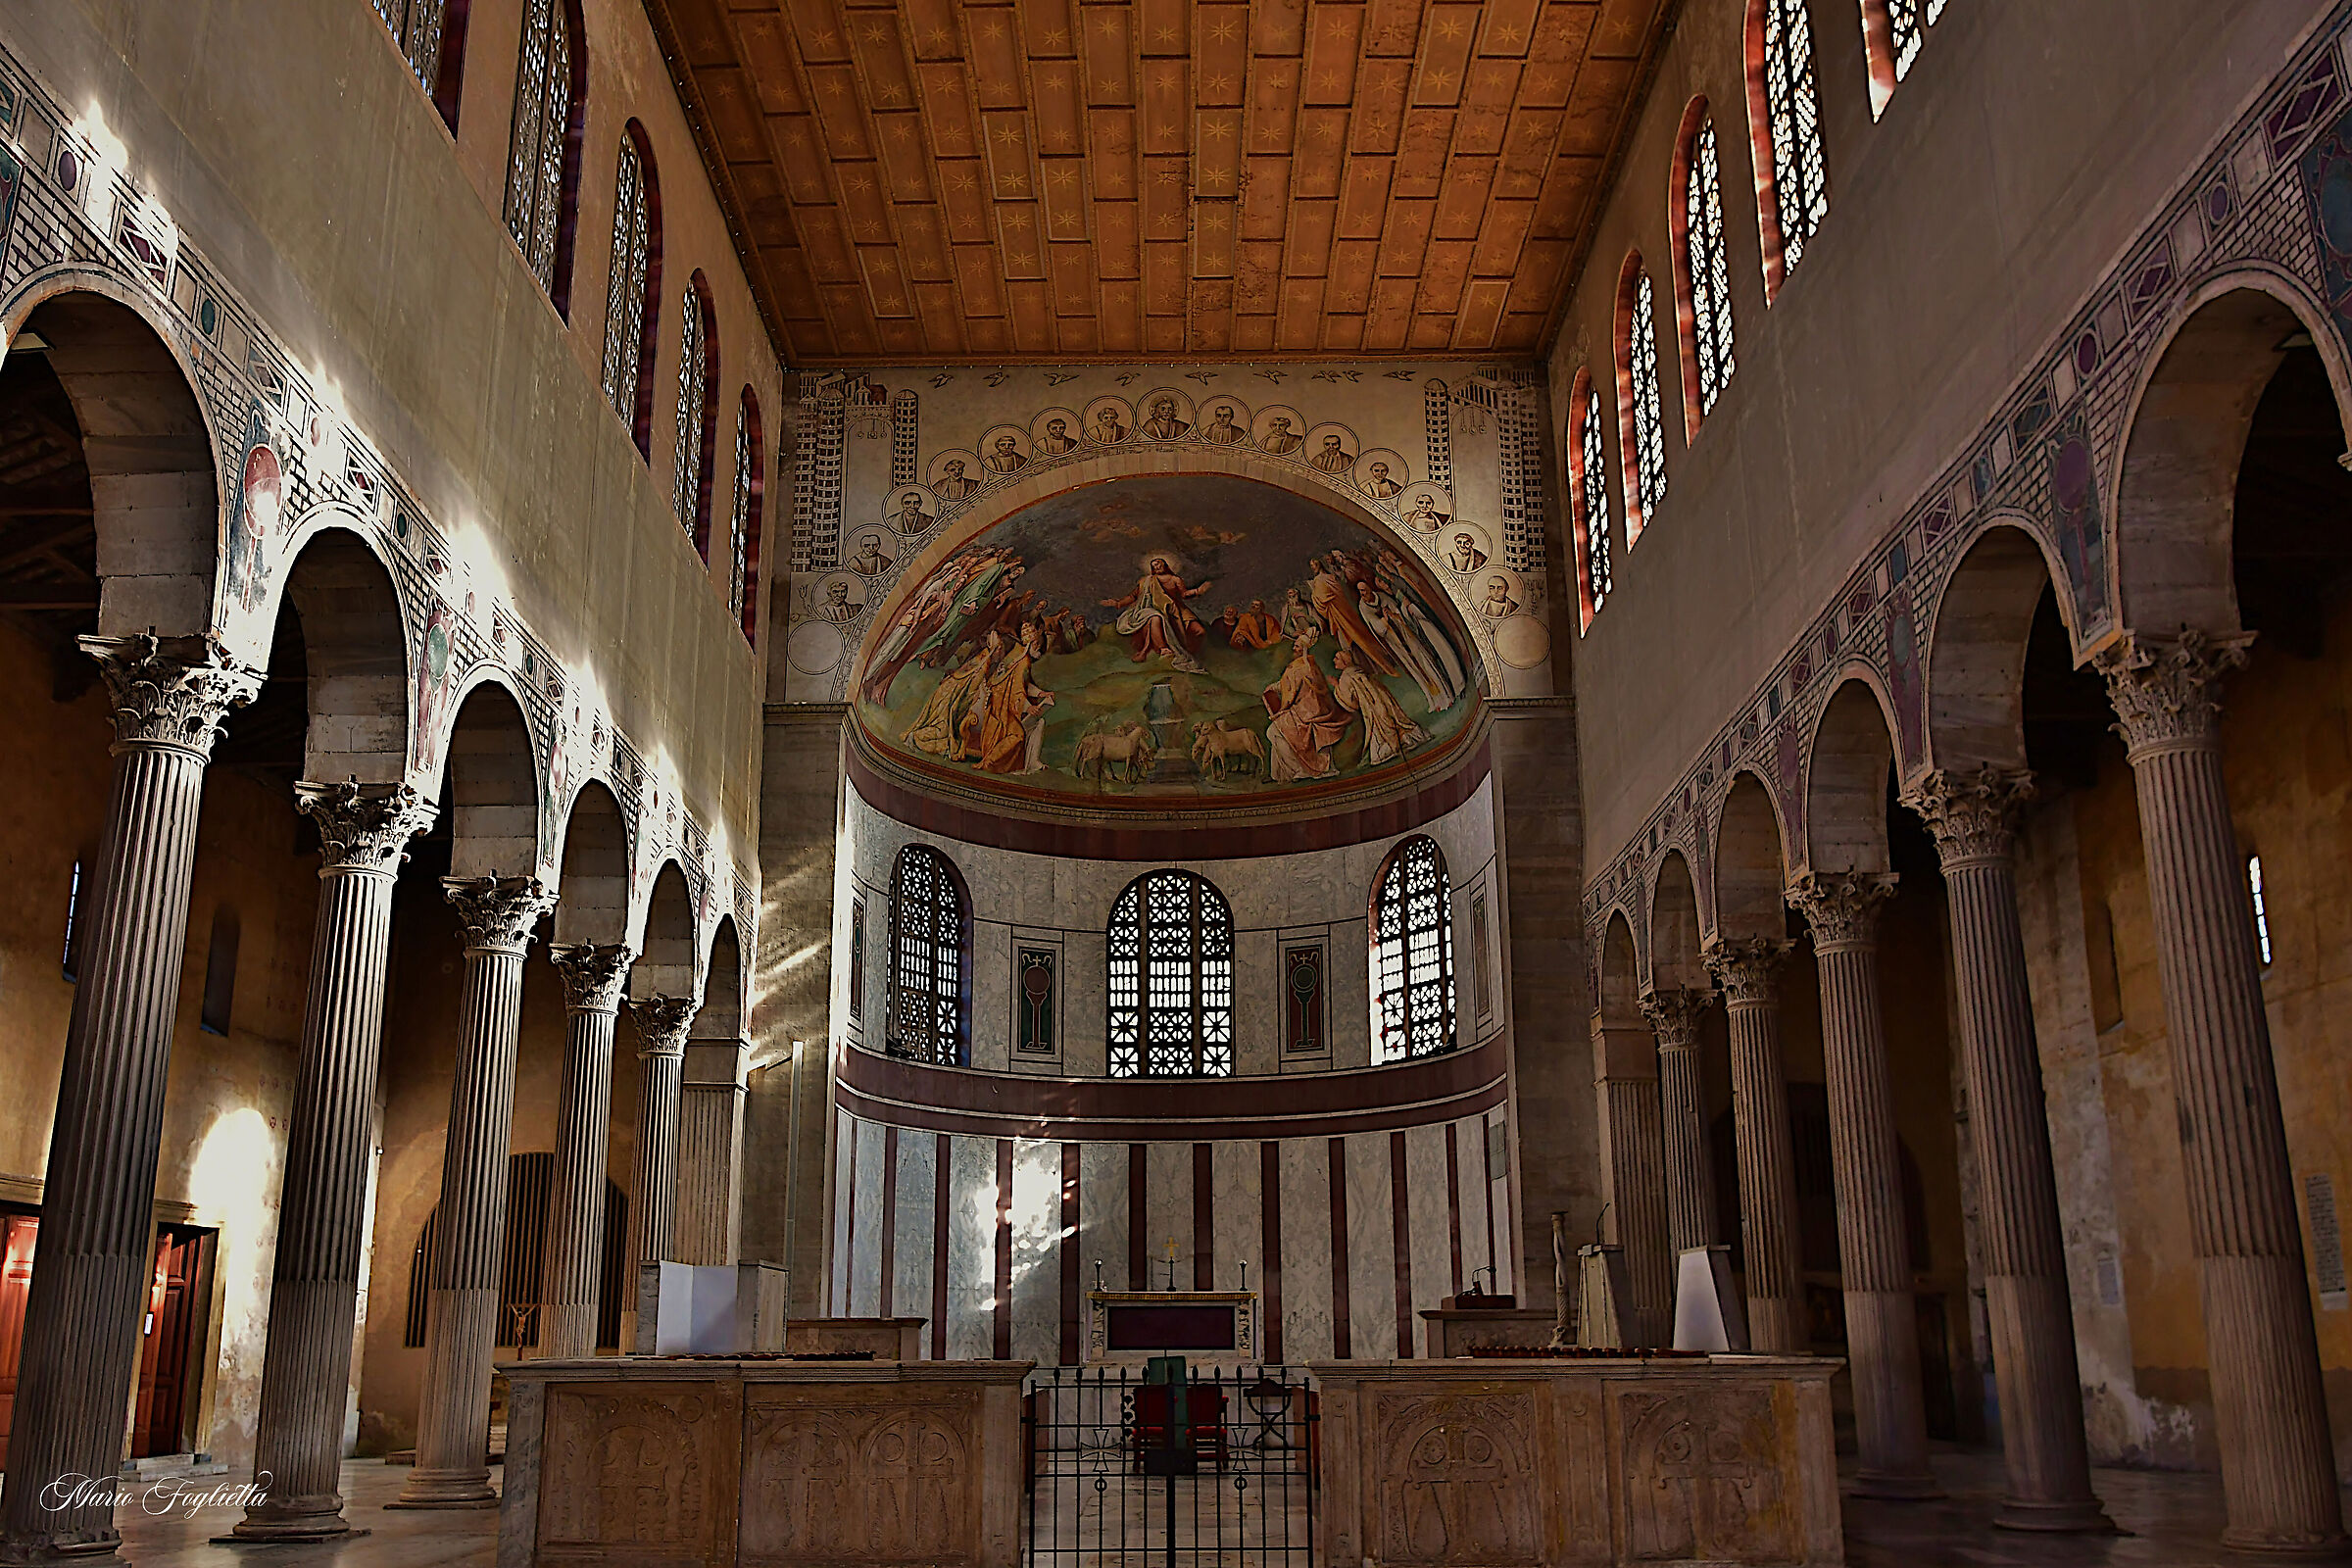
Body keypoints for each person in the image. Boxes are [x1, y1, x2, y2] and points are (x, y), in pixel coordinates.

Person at [1262, 633, 1351, 782]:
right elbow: (1287, 684)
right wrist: (1275, 687)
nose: (1294, 648)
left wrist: (1274, 690)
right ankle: (1280, 774)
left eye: (1297, 646)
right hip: (1309, 709)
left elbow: (1290, 690)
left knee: (1273, 732)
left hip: (1307, 712)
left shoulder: (1300, 668)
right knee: (1275, 732)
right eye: (1295, 645)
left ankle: (1299, 770)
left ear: (1303, 649)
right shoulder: (1308, 665)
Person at [1103, 556, 1213, 672]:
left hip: (1176, 610)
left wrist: (1197, 591)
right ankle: (1164, 649)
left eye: (1159, 563)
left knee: (1199, 631)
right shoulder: (1146, 581)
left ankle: (1186, 651)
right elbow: (1133, 596)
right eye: (1154, 565)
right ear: (1152, 568)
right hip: (1154, 608)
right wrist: (1118, 603)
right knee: (1155, 617)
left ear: (1165, 564)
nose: (1157, 566)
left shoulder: (1175, 579)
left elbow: (1184, 594)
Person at [901, 634, 999, 760]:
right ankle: (916, 736)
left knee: (941, 724)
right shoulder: (983, 660)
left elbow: (969, 681)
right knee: (941, 725)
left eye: (1000, 646)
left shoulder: (984, 661)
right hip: (951, 693)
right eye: (998, 646)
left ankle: (917, 735)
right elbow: (969, 683)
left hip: (953, 692)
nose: (999, 649)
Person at [1331, 646, 1429, 765]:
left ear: (1345, 662)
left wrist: (1336, 686)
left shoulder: (1345, 677)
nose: (1334, 660)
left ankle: (1394, 745)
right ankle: (1407, 737)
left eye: (1337, 658)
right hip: (1382, 698)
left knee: (1382, 728)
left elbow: (1351, 704)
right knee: (1393, 719)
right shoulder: (1357, 670)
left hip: (1371, 707)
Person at [977, 622, 1054, 773]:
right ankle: (989, 762)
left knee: (1038, 723)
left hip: (1003, 703)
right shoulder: (1023, 662)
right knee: (1017, 736)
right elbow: (1017, 690)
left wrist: (1040, 694)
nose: (1039, 648)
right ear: (1030, 643)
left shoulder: (1018, 656)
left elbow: (1022, 684)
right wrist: (1028, 707)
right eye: (1037, 644)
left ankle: (1032, 762)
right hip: (1001, 708)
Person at [1308, 553, 1398, 675]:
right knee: (1352, 641)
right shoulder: (1327, 578)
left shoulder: (1323, 579)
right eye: (1312, 565)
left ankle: (1382, 664)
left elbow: (1325, 599)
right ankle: (1371, 668)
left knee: (1360, 636)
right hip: (1340, 614)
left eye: (1315, 564)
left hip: (1344, 612)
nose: (1314, 566)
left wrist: (1314, 595)